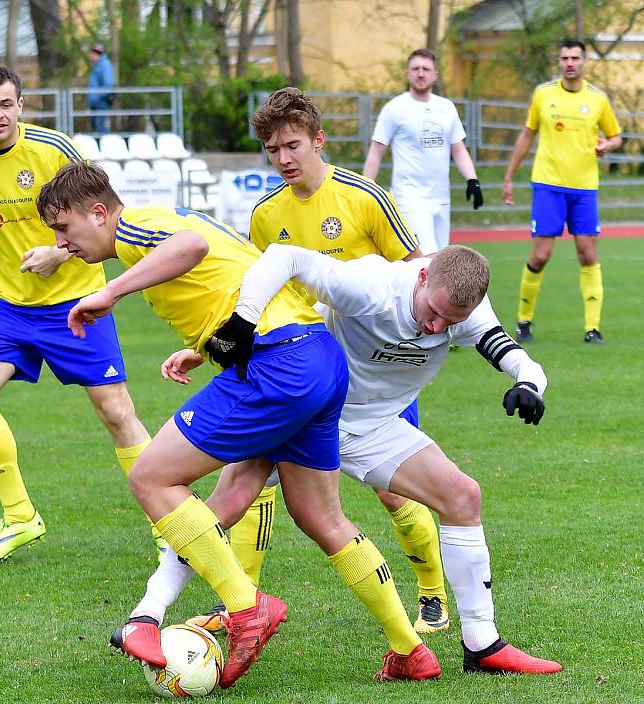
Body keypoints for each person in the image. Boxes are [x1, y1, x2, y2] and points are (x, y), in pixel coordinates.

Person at [36, 161, 442, 686]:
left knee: (152, 476)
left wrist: (110, 293)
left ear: (98, 212)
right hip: (316, 359)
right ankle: (410, 649)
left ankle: (245, 607)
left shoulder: (135, 226)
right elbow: (230, 277)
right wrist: (204, 350)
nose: (62, 243)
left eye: (64, 228)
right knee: (317, 516)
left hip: (278, 367)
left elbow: (190, 250)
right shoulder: (165, 221)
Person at [136, 244, 563, 676]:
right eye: (433, 312)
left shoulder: (461, 308)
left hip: (374, 424)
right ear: (421, 277)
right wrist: (241, 323)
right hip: (309, 410)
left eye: (450, 322)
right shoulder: (373, 287)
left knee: (462, 496)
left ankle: (481, 643)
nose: (437, 328)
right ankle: (147, 613)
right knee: (231, 503)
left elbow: (517, 358)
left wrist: (528, 385)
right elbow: (286, 258)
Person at [189, 86, 450, 638]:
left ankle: (431, 592)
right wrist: (203, 347)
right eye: (273, 149)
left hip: (373, 368)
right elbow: (260, 293)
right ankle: (240, 606)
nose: (284, 158)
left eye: (293, 145)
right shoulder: (265, 216)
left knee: (390, 488)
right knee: (256, 475)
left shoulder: (363, 196)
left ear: (318, 140)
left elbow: (418, 272)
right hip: (300, 365)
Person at [0, 65, 153, 566]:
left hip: (77, 300)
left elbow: (103, 213)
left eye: (6, 104)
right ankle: (20, 516)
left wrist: (59, 254)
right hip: (9, 307)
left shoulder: (54, 149)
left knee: (117, 413)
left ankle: (168, 523)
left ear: (22, 105)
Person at [503, 39, 622, 345]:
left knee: (588, 253)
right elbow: (527, 134)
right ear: (559, 62)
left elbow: (616, 136)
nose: (570, 62)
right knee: (541, 255)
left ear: (584, 62)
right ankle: (523, 322)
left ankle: (592, 329)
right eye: (565, 58)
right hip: (548, 185)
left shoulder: (597, 99)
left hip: (584, 188)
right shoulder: (544, 94)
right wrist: (508, 176)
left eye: (575, 58)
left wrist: (606, 146)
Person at [362, 49, 483, 255]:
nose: (420, 73)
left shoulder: (446, 107)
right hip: (409, 198)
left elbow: (459, 150)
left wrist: (473, 180)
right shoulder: (395, 108)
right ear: (407, 73)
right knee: (428, 259)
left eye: (426, 69)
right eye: (415, 68)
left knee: (442, 260)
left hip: (441, 199)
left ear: (435, 74)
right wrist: (365, 192)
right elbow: (376, 152)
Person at [87, 45, 114, 135]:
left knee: (101, 128)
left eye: (94, 53)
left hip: (101, 103)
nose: (91, 55)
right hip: (95, 103)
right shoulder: (97, 65)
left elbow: (108, 85)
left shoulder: (105, 65)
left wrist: (97, 97)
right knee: (96, 127)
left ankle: (107, 146)